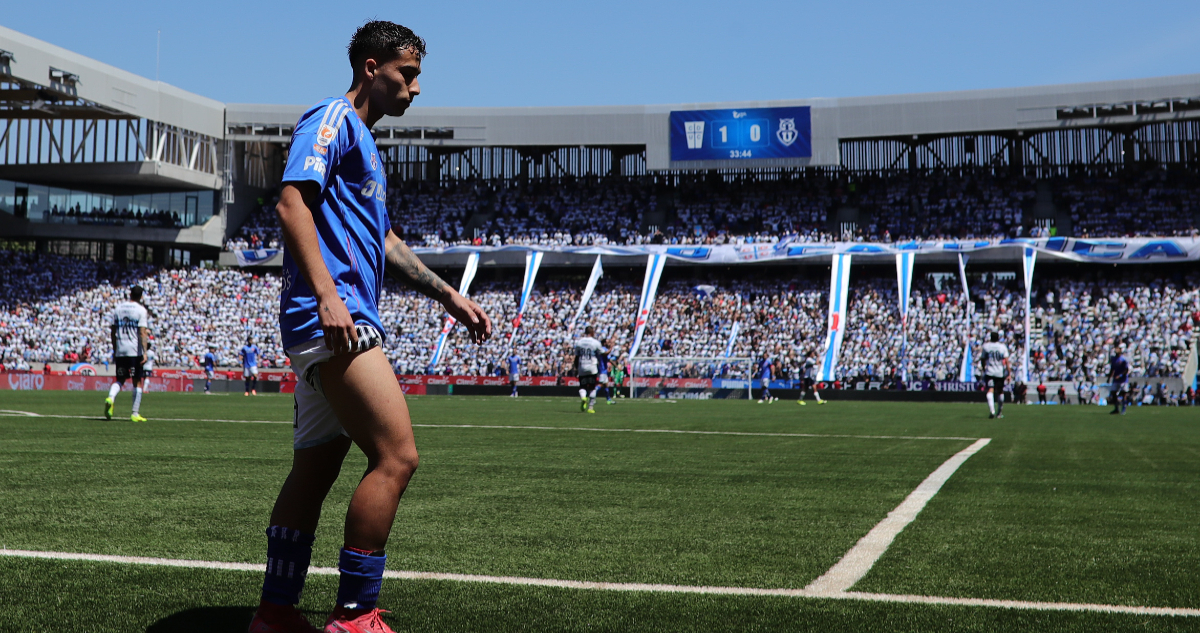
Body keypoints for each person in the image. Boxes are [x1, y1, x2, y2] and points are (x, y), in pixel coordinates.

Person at [247, 22, 492, 633]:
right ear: (370, 67)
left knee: (315, 469)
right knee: (397, 457)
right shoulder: (330, 118)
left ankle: (275, 614)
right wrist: (329, 297)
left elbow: (382, 242)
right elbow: (291, 202)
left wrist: (448, 295)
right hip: (335, 320)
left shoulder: (366, 146)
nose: (413, 89)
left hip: (327, 322)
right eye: (405, 75)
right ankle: (354, 615)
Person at [104, 285, 150, 423]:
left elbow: (113, 331)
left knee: (120, 379)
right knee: (137, 381)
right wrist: (145, 352)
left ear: (130, 294)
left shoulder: (118, 308)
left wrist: (115, 348)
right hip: (134, 351)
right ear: (141, 296)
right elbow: (142, 332)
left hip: (121, 349)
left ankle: (110, 398)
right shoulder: (141, 310)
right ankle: (135, 413)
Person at [573, 326, 604, 413]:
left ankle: (583, 397)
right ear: (592, 332)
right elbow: (602, 353)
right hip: (592, 367)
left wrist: (576, 368)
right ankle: (590, 408)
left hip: (582, 366)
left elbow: (576, 357)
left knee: (582, 386)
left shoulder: (579, 342)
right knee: (592, 387)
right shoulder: (596, 342)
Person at [981, 332, 1009, 419]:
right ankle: (999, 413)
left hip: (990, 371)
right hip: (999, 372)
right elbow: (1007, 361)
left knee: (990, 390)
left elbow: (982, 359)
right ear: (998, 338)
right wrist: (1009, 373)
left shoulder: (986, 346)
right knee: (1000, 391)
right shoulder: (1002, 347)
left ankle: (992, 410)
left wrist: (984, 368)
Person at [1108, 347, 1130, 415]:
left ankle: (1123, 409)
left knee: (1124, 394)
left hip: (1123, 380)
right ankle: (1116, 408)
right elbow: (1112, 369)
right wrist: (1109, 377)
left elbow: (1126, 370)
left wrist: (1120, 376)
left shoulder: (1123, 359)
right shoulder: (1114, 359)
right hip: (1116, 379)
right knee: (1113, 393)